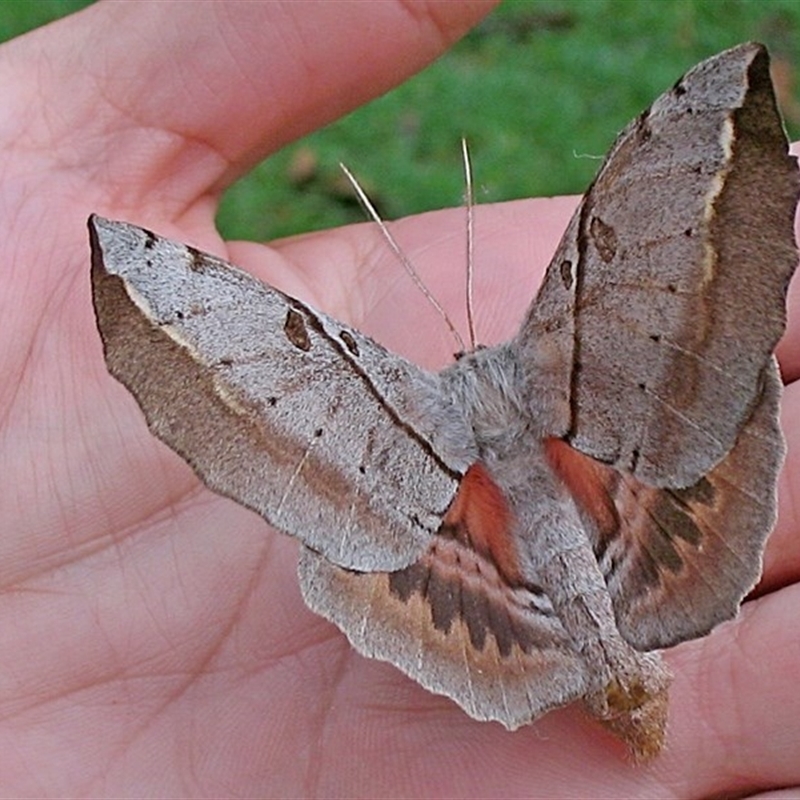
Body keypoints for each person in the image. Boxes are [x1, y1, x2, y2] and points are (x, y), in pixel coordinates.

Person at [1, 3, 798, 796]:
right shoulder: (570, 346)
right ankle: (612, 629)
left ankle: (561, 643)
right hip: (627, 486)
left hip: (460, 541)